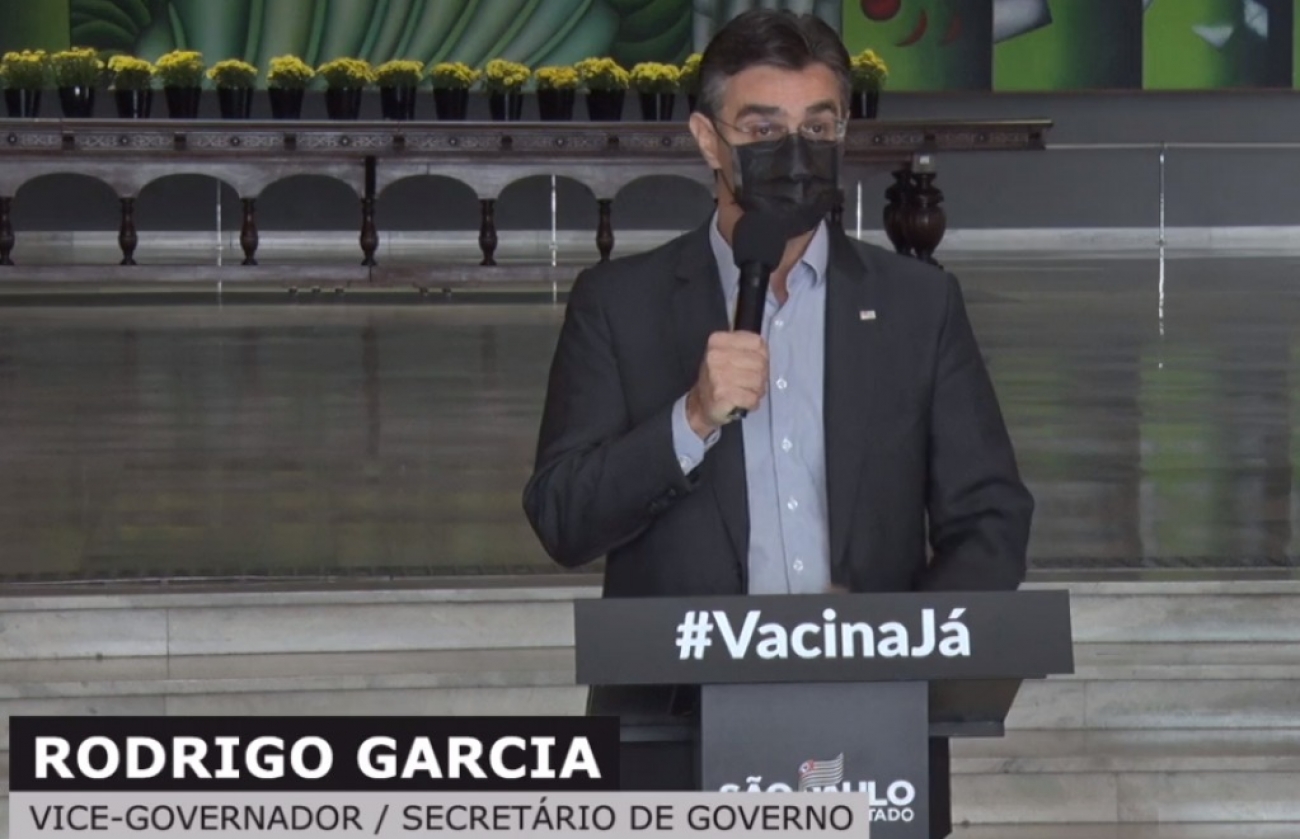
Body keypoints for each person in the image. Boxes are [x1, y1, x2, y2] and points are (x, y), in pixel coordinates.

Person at [522, 9, 1032, 838]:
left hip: (875, 731)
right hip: (672, 729)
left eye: (818, 127)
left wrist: (900, 647)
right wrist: (691, 418)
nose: (795, 154)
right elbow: (562, 516)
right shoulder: (618, 303)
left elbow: (991, 515)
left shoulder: (918, 303)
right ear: (708, 139)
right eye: (763, 130)